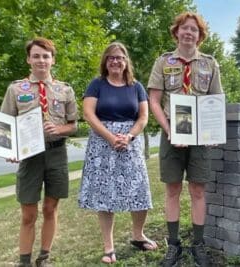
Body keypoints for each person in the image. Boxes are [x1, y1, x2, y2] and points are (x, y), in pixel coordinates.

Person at [148, 11, 223, 267]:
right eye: (184, 28)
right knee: (172, 189)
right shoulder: (163, 62)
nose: (189, 33)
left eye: (194, 29)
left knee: (198, 190)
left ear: (200, 36)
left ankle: (198, 245)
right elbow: (154, 101)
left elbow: (215, 101)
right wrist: (170, 130)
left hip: (200, 137)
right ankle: (174, 246)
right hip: (172, 134)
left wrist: (213, 132)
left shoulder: (210, 64)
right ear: (176, 32)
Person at [0, 37, 78, 267]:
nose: (41, 60)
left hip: (56, 154)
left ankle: (44, 258)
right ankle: (24, 262)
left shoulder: (65, 89)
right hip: (29, 156)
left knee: (50, 209)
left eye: (45, 56)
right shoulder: (16, 89)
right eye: (36, 56)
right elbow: (4, 124)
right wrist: (10, 148)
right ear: (28, 59)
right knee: (28, 213)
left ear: (52, 60)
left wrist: (60, 128)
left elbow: (74, 126)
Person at [78, 42, 157, 264]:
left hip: (130, 144)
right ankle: (109, 246)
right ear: (105, 61)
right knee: (105, 195)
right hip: (102, 145)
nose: (115, 61)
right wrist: (110, 137)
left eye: (120, 57)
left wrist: (129, 136)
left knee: (139, 190)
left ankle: (138, 235)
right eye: (111, 57)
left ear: (126, 62)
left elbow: (143, 117)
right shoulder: (97, 85)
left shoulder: (136, 86)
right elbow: (88, 114)